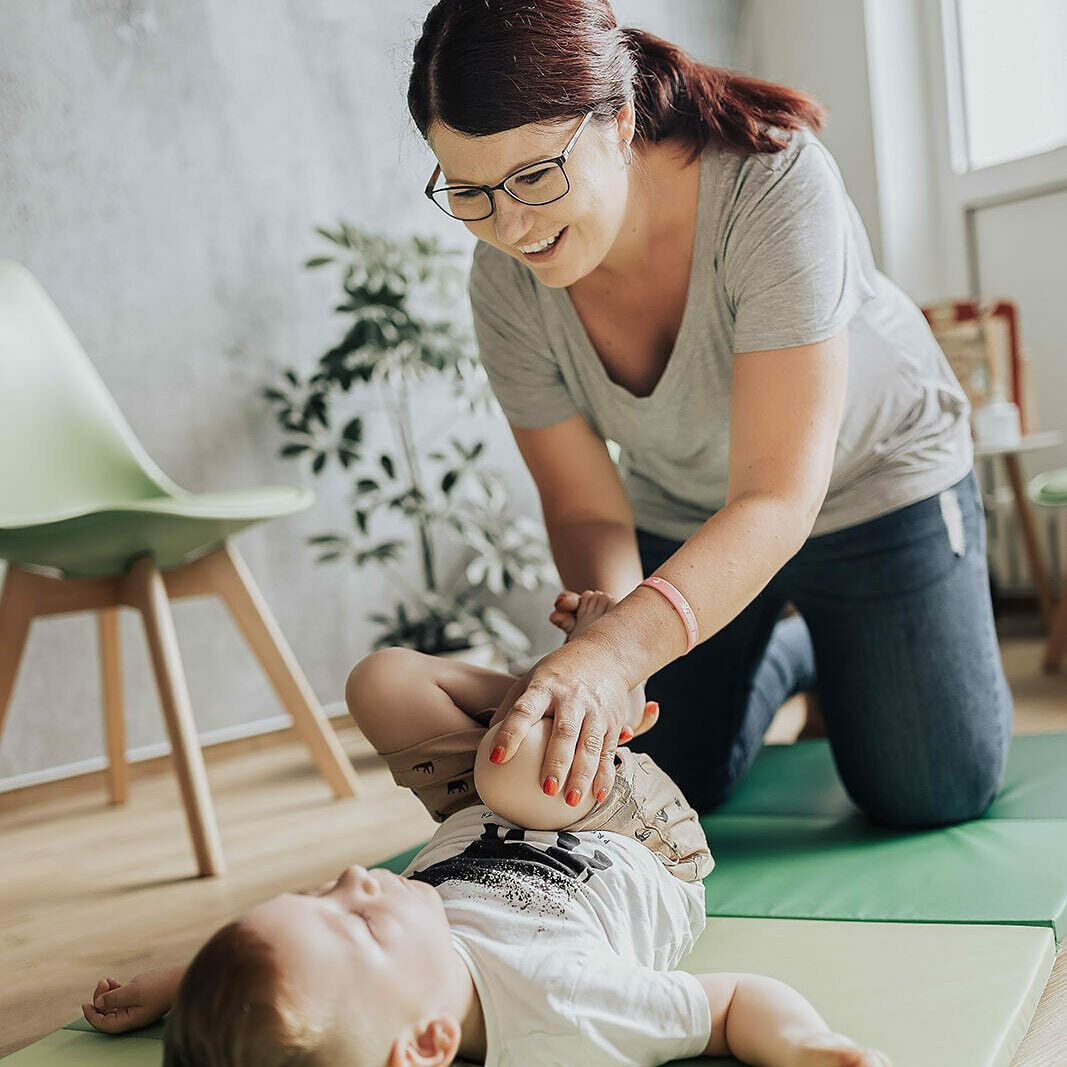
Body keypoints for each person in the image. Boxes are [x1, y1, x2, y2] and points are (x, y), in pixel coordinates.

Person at [408, 0, 1012, 827]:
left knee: (927, 792)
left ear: (618, 123)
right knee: (651, 778)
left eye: (533, 177)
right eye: (470, 192)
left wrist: (617, 651)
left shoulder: (771, 184)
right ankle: (796, 650)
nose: (509, 227)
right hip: (691, 516)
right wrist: (608, 631)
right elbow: (585, 503)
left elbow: (774, 496)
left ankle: (829, 642)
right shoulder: (502, 280)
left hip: (874, 486)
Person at [82, 592, 890, 1067]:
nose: (358, 877)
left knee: (382, 680)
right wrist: (806, 1043)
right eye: (357, 919)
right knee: (512, 769)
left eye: (319, 893)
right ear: (428, 1045)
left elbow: (283, 965)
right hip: (630, 831)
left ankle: (565, 693)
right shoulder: (565, 1003)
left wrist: (178, 985)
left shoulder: (388, 978)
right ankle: (579, 699)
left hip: (479, 810)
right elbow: (733, 1003)